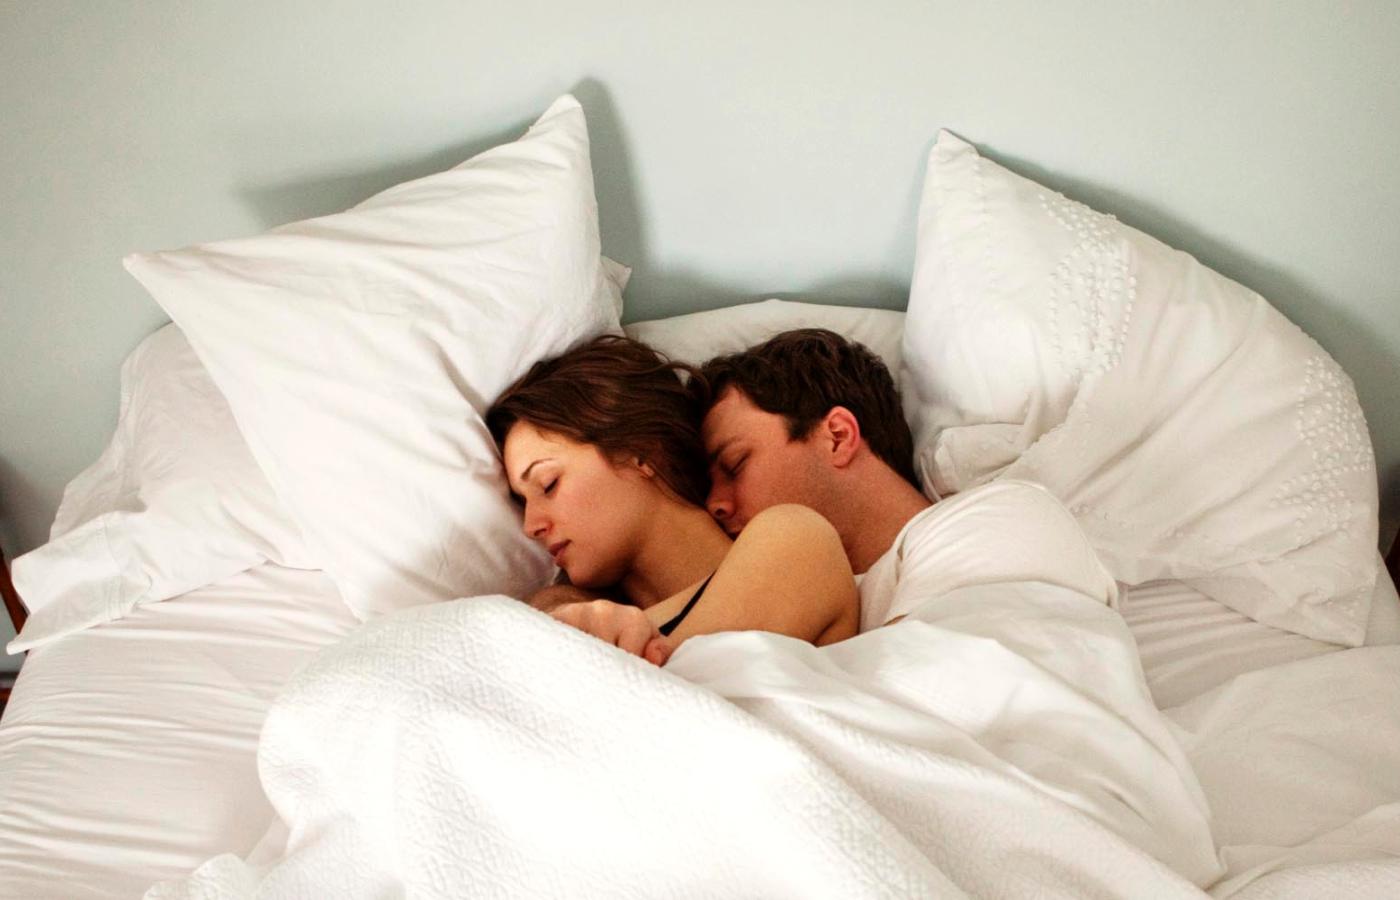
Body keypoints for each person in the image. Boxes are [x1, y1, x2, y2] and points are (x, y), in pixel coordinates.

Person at [486, 334, 859, 666]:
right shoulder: (571, 610)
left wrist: (577, 638)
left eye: (548, 484)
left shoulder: (799, 543)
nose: (531, 526)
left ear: (640, 452)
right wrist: (557, 609)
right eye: (522, 501)